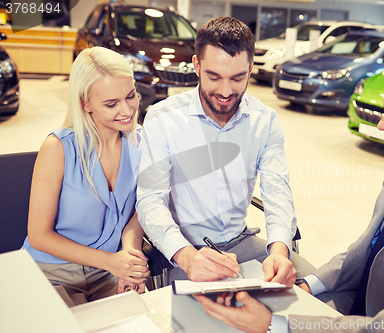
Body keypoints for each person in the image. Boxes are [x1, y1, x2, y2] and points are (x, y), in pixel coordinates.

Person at [194, 47, 384, 332]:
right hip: (360, 306)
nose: (381, 124)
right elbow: (366, 250)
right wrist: (306, 287)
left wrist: (278, 324)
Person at [136, 17, 315, 287]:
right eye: (214, 76)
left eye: (237, 78)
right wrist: (187, 257)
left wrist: (279, 250)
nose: (225, 91)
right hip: (187, 251)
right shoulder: (163, 118)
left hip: (243, 243)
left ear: (250, 68)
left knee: (323, 294)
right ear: (197, 65)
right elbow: (150, 201)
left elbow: (277, 191)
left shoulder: (264, 121)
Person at [22, 46, 150, 307]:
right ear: (84, 103)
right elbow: (39, 235)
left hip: (109, 271)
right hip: (51, 273)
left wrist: (130, 257)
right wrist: (111, 262)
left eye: (130, 96)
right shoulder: (58, 148)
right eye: (111, 104)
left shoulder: (143, 142)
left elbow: (139, 210)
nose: (126, 110)